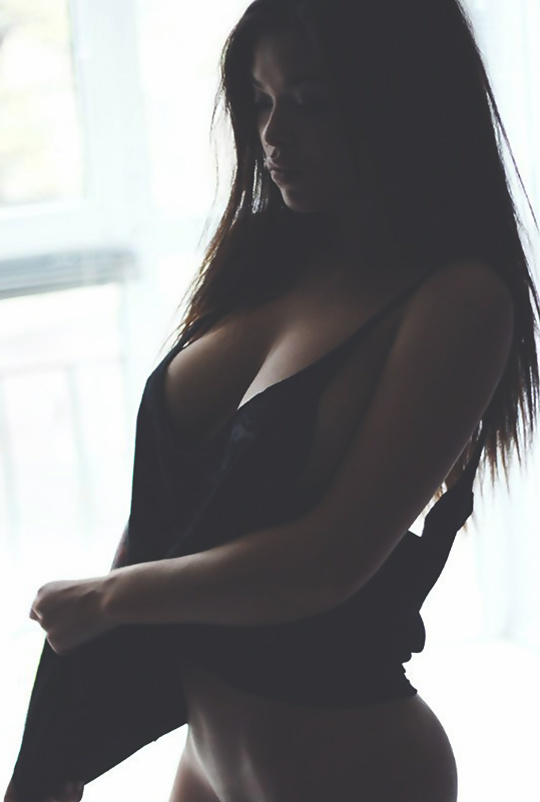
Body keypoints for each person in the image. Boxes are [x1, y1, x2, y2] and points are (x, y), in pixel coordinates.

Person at [6, 1, 540, 800]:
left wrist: (110, 599)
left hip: (352, 767)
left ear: (399, 101)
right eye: (259, 101)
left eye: (309, 102)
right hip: (207, 760)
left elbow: (327, 560)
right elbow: (163, 524)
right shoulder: (270, 256)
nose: (273, 135)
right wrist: (53, 763)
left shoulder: (457, 300)